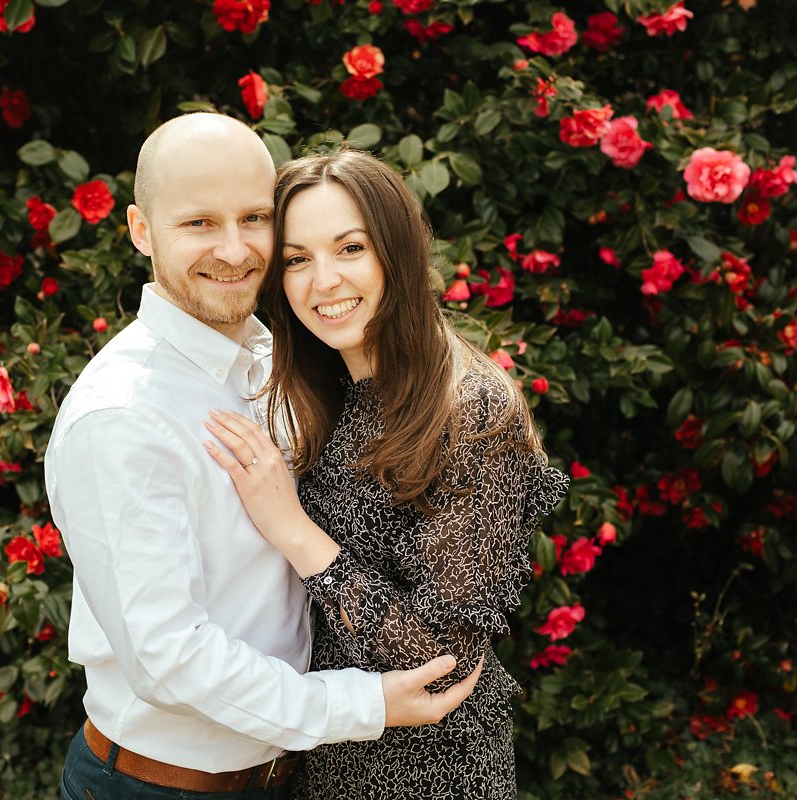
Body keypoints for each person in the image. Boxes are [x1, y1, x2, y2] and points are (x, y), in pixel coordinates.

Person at [44, 114, 481, 800]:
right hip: (161, 788)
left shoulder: (275, 357)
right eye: (198, 224)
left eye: (254, 217)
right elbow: (168, 657)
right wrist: (361, 706)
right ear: (139, 230)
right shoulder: (122, 416)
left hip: (286, 776)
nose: (235, 248)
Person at [203, 149, 569, 799]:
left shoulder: (473, 413)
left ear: (396, 253)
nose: (324, 282)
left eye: (349, 248)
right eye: (296, 259)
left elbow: (440, 666)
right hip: (334, 766)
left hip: (435, 778)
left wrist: (293, 529)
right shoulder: (328, 393)